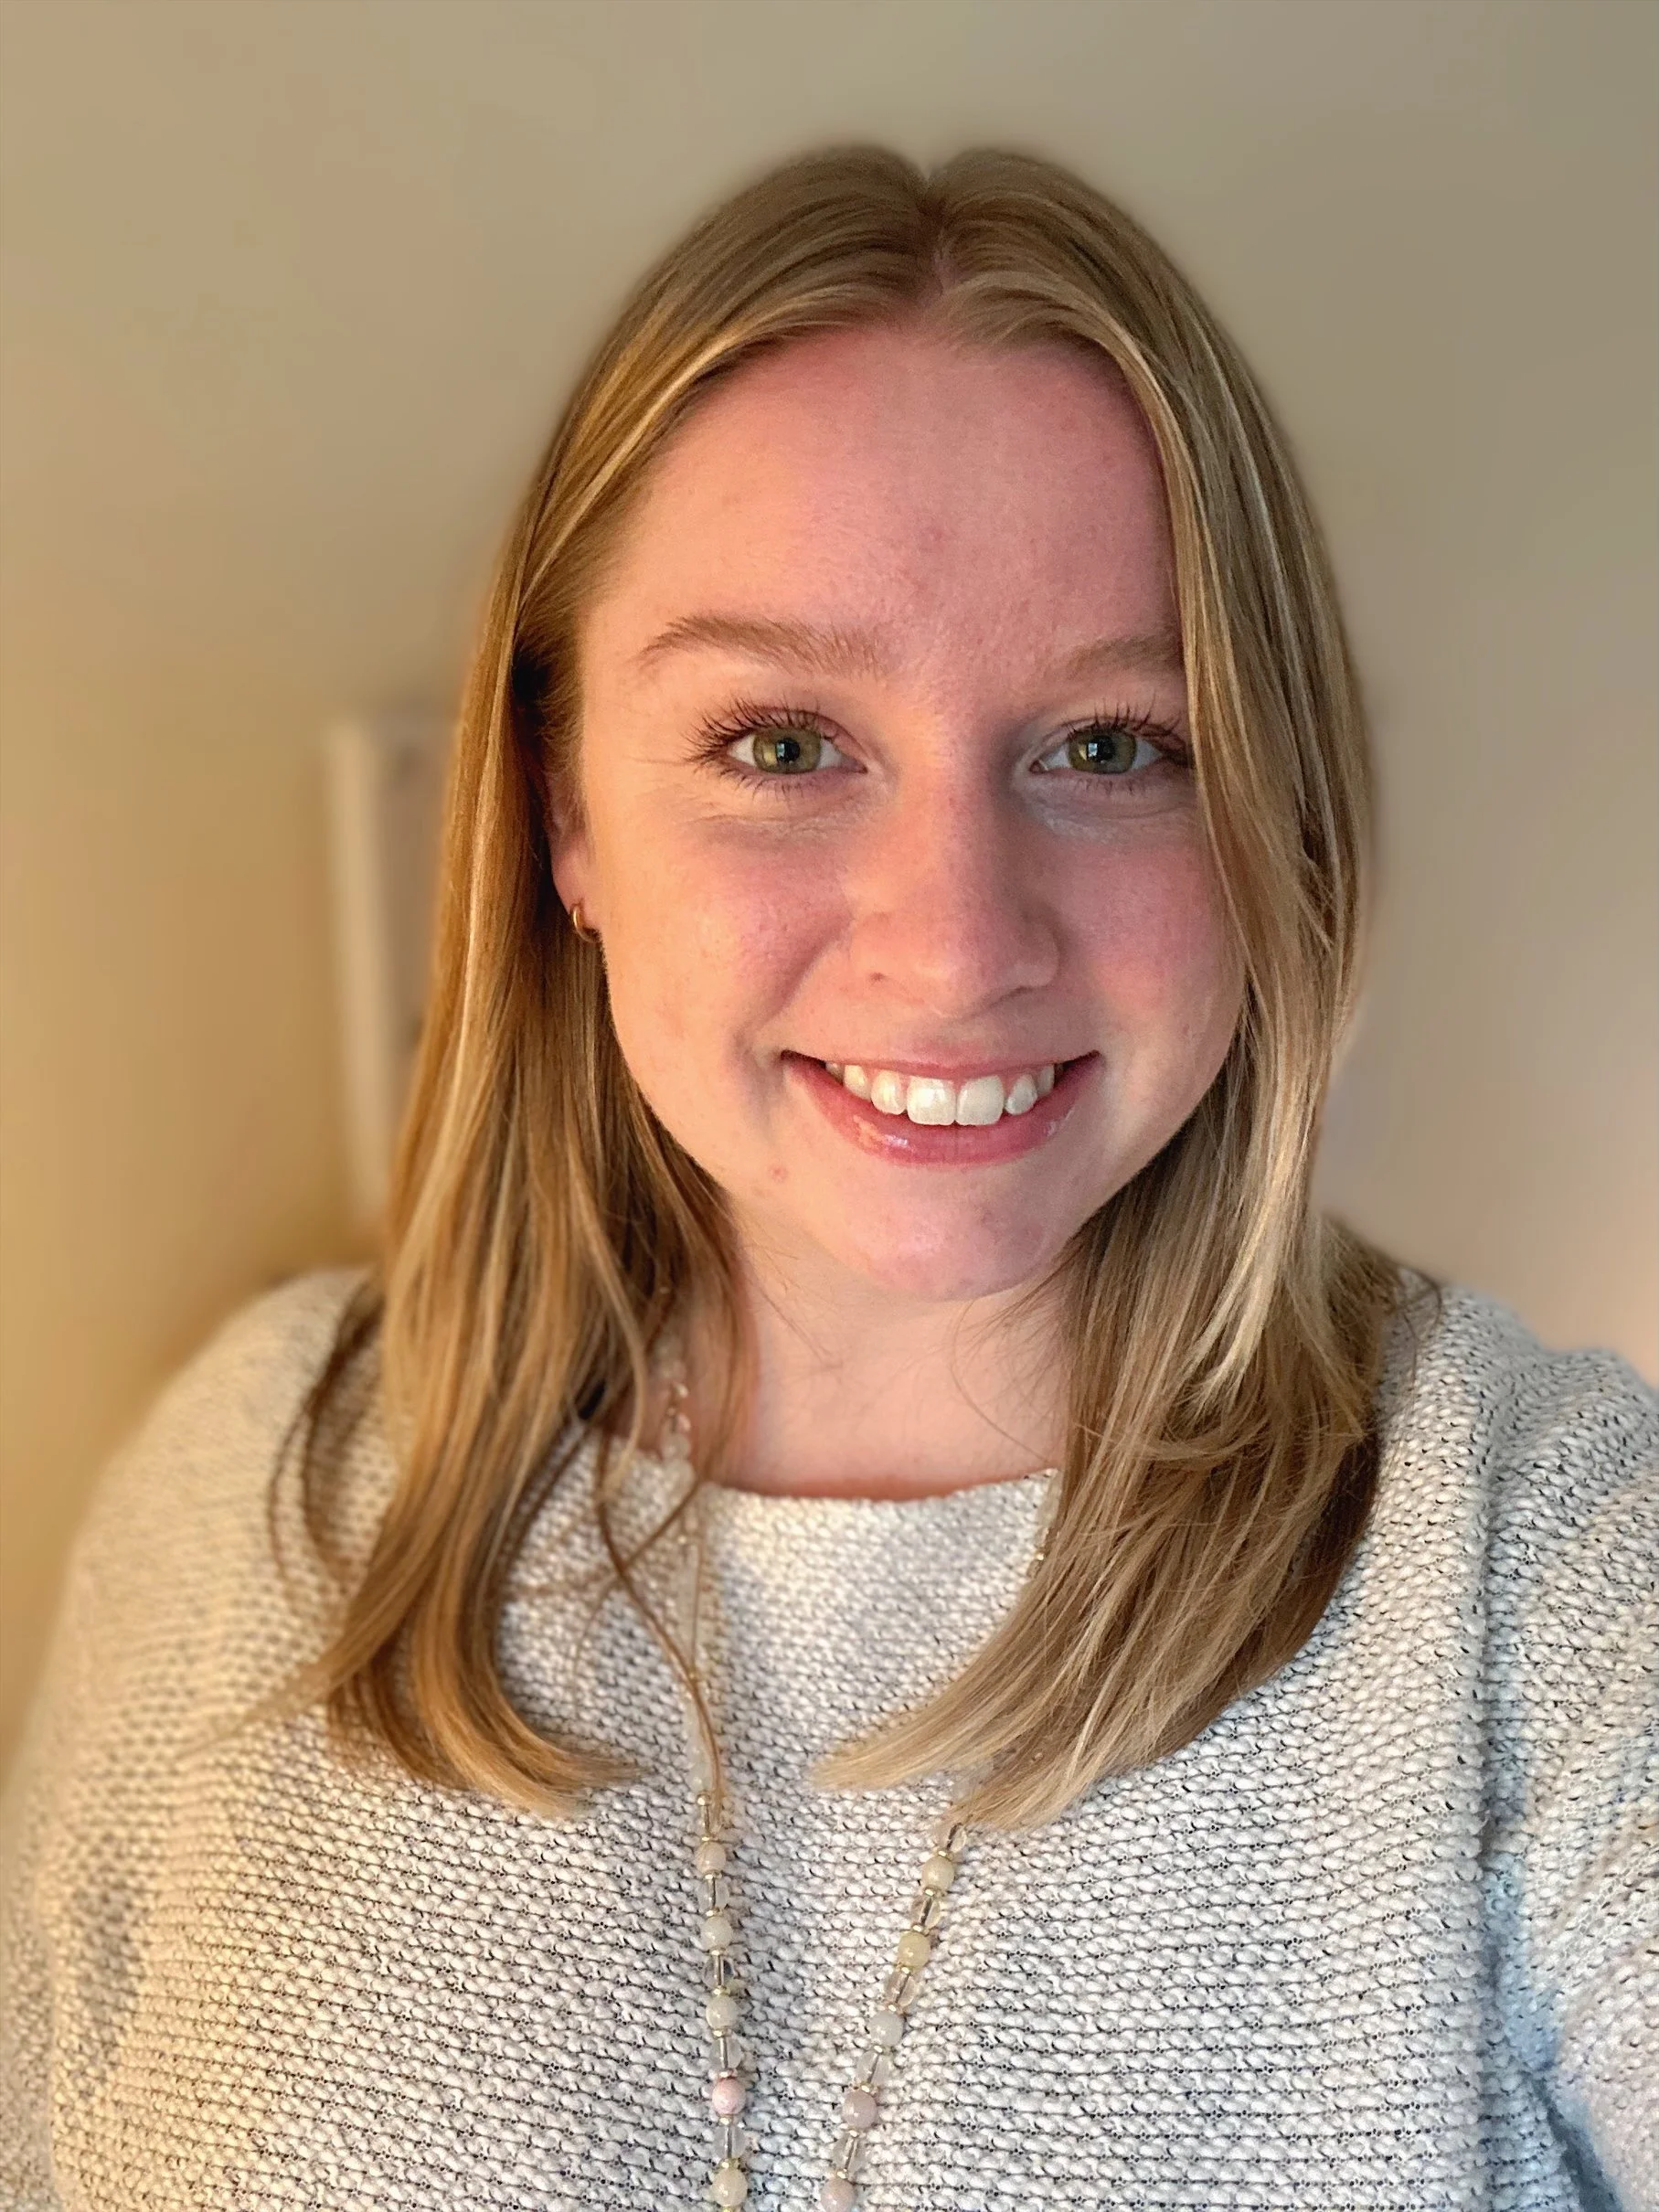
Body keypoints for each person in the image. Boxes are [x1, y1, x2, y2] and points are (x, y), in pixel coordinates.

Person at [2, 144, 1654, 2212]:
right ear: (561, 819)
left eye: (1116, 743)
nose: (958, 942)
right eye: (783, 744)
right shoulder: (259, 1480)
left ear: (1274, 816)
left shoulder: (1538, 1559)